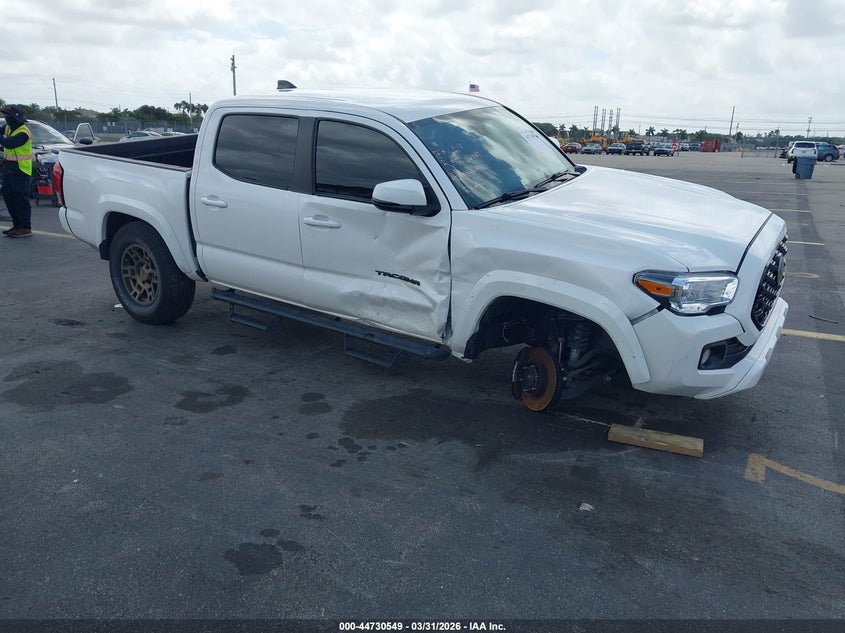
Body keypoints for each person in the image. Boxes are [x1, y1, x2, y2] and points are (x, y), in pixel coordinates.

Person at [1, 105, 33, 238]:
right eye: (5, 116)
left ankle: (25, 227)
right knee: (9, 197)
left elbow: (9, 144)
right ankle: (17, 225)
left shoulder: (23, 132)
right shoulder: (8, 128)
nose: (6, 119)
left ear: (16, 118)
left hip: (21, 169)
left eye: (9, 116)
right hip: (9, 168)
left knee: (20, 199)